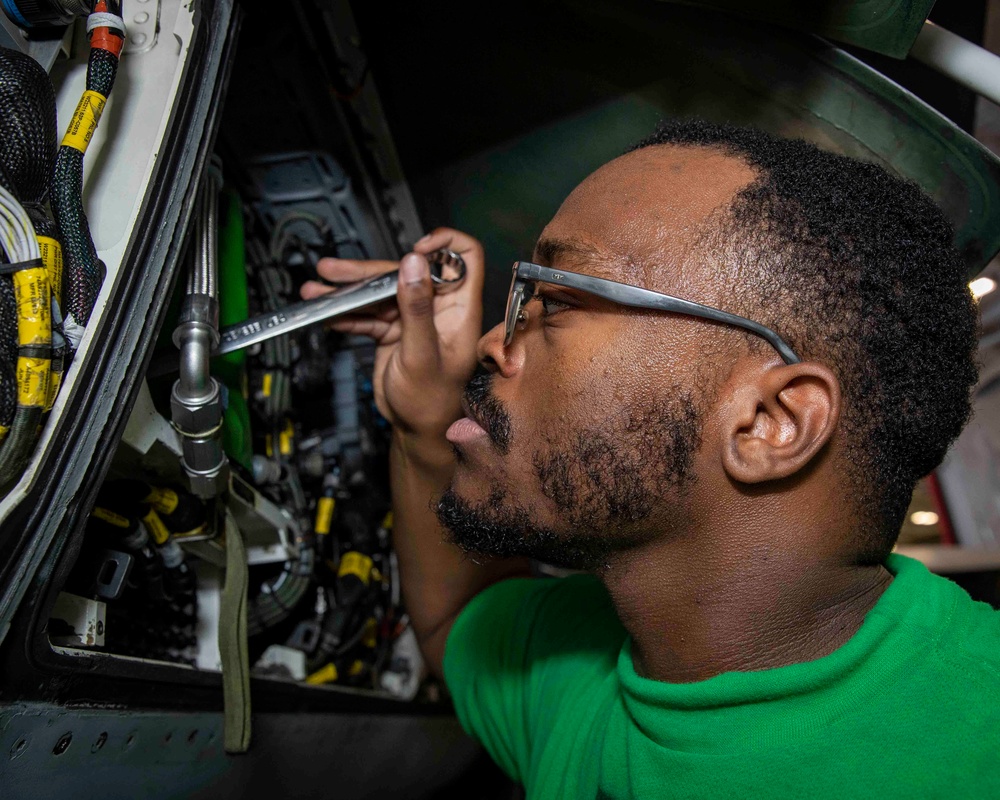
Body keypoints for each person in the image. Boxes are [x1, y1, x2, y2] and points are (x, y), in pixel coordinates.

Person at [301, 119, 1000, 798]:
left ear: (770, 423)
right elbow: (456, 624)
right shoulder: (585, 663)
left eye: (561, 299)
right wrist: (425, 418)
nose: (493, 343)